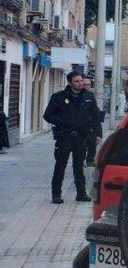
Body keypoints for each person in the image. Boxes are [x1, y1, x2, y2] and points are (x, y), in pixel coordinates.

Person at [43, 72, 99, 204]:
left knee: (78, 166)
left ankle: (81, 193)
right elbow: (48, 115)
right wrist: (63, 122)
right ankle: (56, 194)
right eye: (77, 81)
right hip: (65, 136)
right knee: (60, 165)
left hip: (81, 136)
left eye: (81, 81)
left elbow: (95, 118)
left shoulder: (88, 97)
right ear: (70, 83)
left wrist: (97, 135)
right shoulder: (59, 97)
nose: (80, 84)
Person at [82, 77, 102, 165]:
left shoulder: (90, 96)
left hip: (90, 126)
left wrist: (99, 133)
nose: (86, 86)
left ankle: (90, 160)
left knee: (92, 144)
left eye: (88, 85)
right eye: (84, 84)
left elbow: (96, 115)